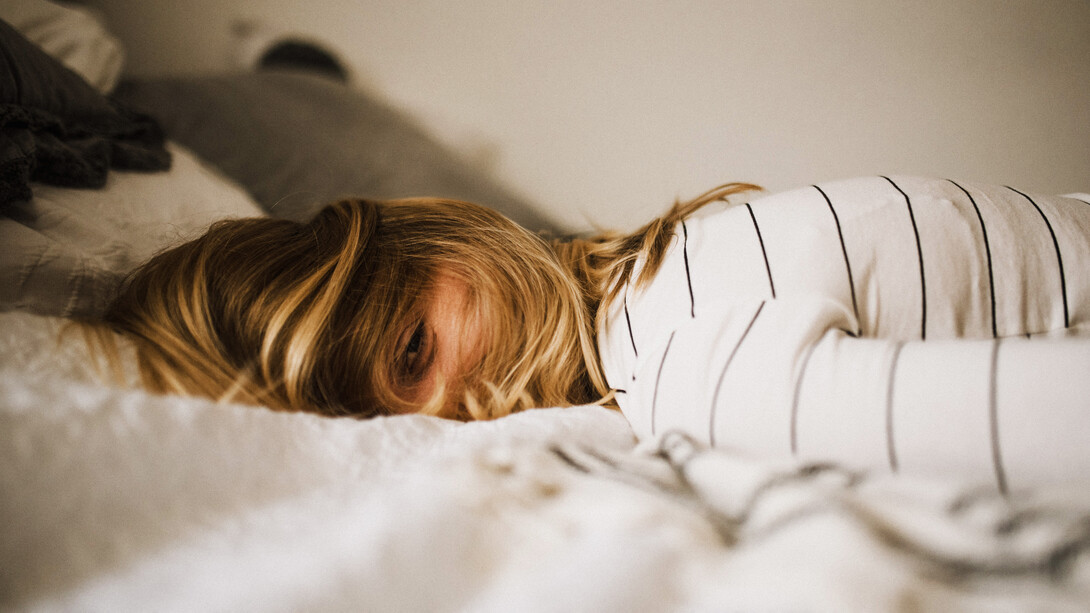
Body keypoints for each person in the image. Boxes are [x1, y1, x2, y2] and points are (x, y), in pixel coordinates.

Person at [94, 177, 1090, 487]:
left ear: (446, 233)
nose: (448, 417)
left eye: (412, 353)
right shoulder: (669, 267)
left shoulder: (692, 366)